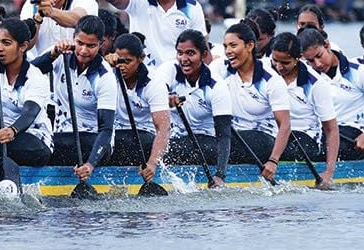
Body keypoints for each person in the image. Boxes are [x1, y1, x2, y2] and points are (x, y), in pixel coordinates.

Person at [36, 16, 117, 181]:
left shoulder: (104, 77)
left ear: (101, 44)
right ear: (73, 38)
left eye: (91, 46)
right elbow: (28, 72)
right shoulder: (61, 55)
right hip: (61, 136)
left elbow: (106, 129)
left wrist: (90, 165)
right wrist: (52, 54)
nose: (83, 51)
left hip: (94, 144)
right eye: (80, 43)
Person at [302, 27, 364, 159]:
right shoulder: (305, 76)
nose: (318, 64)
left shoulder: (358, 72)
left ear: (327, 45)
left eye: (319, 56)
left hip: (350, 133)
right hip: (318, 133)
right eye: (310, 61)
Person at [0, 18, 54, 167]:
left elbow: (30, 112)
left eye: (6, 43)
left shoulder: (35, 77)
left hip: (33, 140)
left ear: (23, 46)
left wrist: (12, 130)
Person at [220, 22, 291, 181]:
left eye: (233, 45)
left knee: (219, 145)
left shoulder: (271, 81)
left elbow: (285, 125)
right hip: (233, 137)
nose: (228, 51)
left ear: (250, 46)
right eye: (225, 46)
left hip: (262, 139)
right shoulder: (221, 71)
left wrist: (273, 161)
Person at [166, 29, 234, 187]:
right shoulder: (170, 75)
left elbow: (224, 135)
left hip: (207, 143)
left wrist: (220, 175)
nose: (184, 59)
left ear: (204, 55)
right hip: (178, 140)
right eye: (180, 53)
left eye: (190, 53)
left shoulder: (217, 87)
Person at [268, 32, 337, 185]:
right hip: (272, 133)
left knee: (269, 145)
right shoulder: (265, 71)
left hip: (304, 139)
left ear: (298, 58)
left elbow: (331, 129)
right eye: (275, 61)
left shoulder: (316, 84)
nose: (278, 67)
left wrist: (329, 172)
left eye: (285, 63)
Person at [106, 32, 172, 183]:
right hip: (115, 133)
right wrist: (104, 63)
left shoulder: (154, 83)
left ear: (141, 59)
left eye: (128, 61)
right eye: (119, 61)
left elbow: (163, 128)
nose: (121, 67)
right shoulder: (107, 72)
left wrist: (152, 163)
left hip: (143, 136)